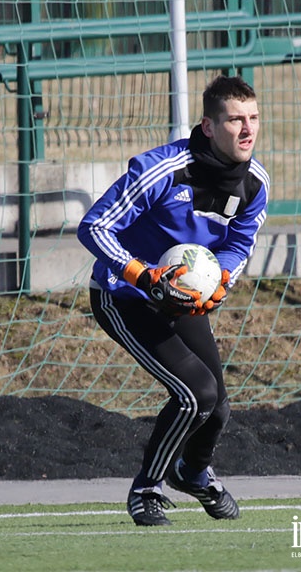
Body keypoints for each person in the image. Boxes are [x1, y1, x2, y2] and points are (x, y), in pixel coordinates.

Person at [76, 75, 269, 526]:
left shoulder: (255, 183)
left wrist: (220, 281)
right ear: (207, 126)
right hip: (123, 295)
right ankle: (146, 489)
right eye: (235, 119)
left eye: (254, 118)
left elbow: (240, 245)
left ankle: (194, 473)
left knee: (218, 405)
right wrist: (140, 274)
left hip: (180, 299)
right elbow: (94, 226)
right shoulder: (160, 170)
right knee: (194, 393)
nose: (248, 129)